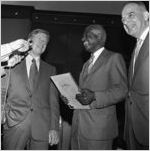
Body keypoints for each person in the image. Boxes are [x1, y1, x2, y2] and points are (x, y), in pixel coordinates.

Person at [62, 24, 127, 149]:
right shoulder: (87, 63)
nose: (82, 39)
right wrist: (71, 99)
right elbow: (84, 95)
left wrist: (95, 96)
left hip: (99, 131)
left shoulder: (114, 58)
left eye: (87, 36)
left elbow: (122, 90)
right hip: (78, 128)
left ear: (99, 37)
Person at [2, 29, 60, 149]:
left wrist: (54, 128)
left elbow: (53, 101)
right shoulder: (11, 63)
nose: (43, 42)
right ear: (29, 41)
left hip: (42, 128)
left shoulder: (51, 69)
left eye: (45, 41)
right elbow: (1, 91)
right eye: (39, 39)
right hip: (15, 123)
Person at [121, 2, 149, 150]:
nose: (125, 22)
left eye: (130, 15)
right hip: (133, 129)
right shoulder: (137, 47)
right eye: (123, 20)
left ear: (146, 15)